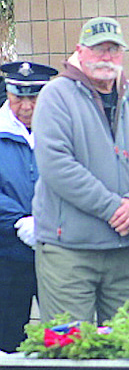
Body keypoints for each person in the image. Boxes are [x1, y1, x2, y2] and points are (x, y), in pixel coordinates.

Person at [32, 16, 129, 324]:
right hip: (69, 251)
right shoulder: (56, 97)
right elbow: (56, 165)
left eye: (114, 49)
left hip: (128, 250)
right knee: (69, 351)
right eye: (98, 49)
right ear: (80, 52)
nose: (107, 57)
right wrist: (113, 209)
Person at [0, 61, 57, 351]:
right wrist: (18, 220)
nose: (25, 106)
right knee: (8, 337)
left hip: (58, 246)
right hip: (7, 252)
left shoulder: (63, 129)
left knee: (63, 336)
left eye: (33, 97)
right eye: (17, 97)